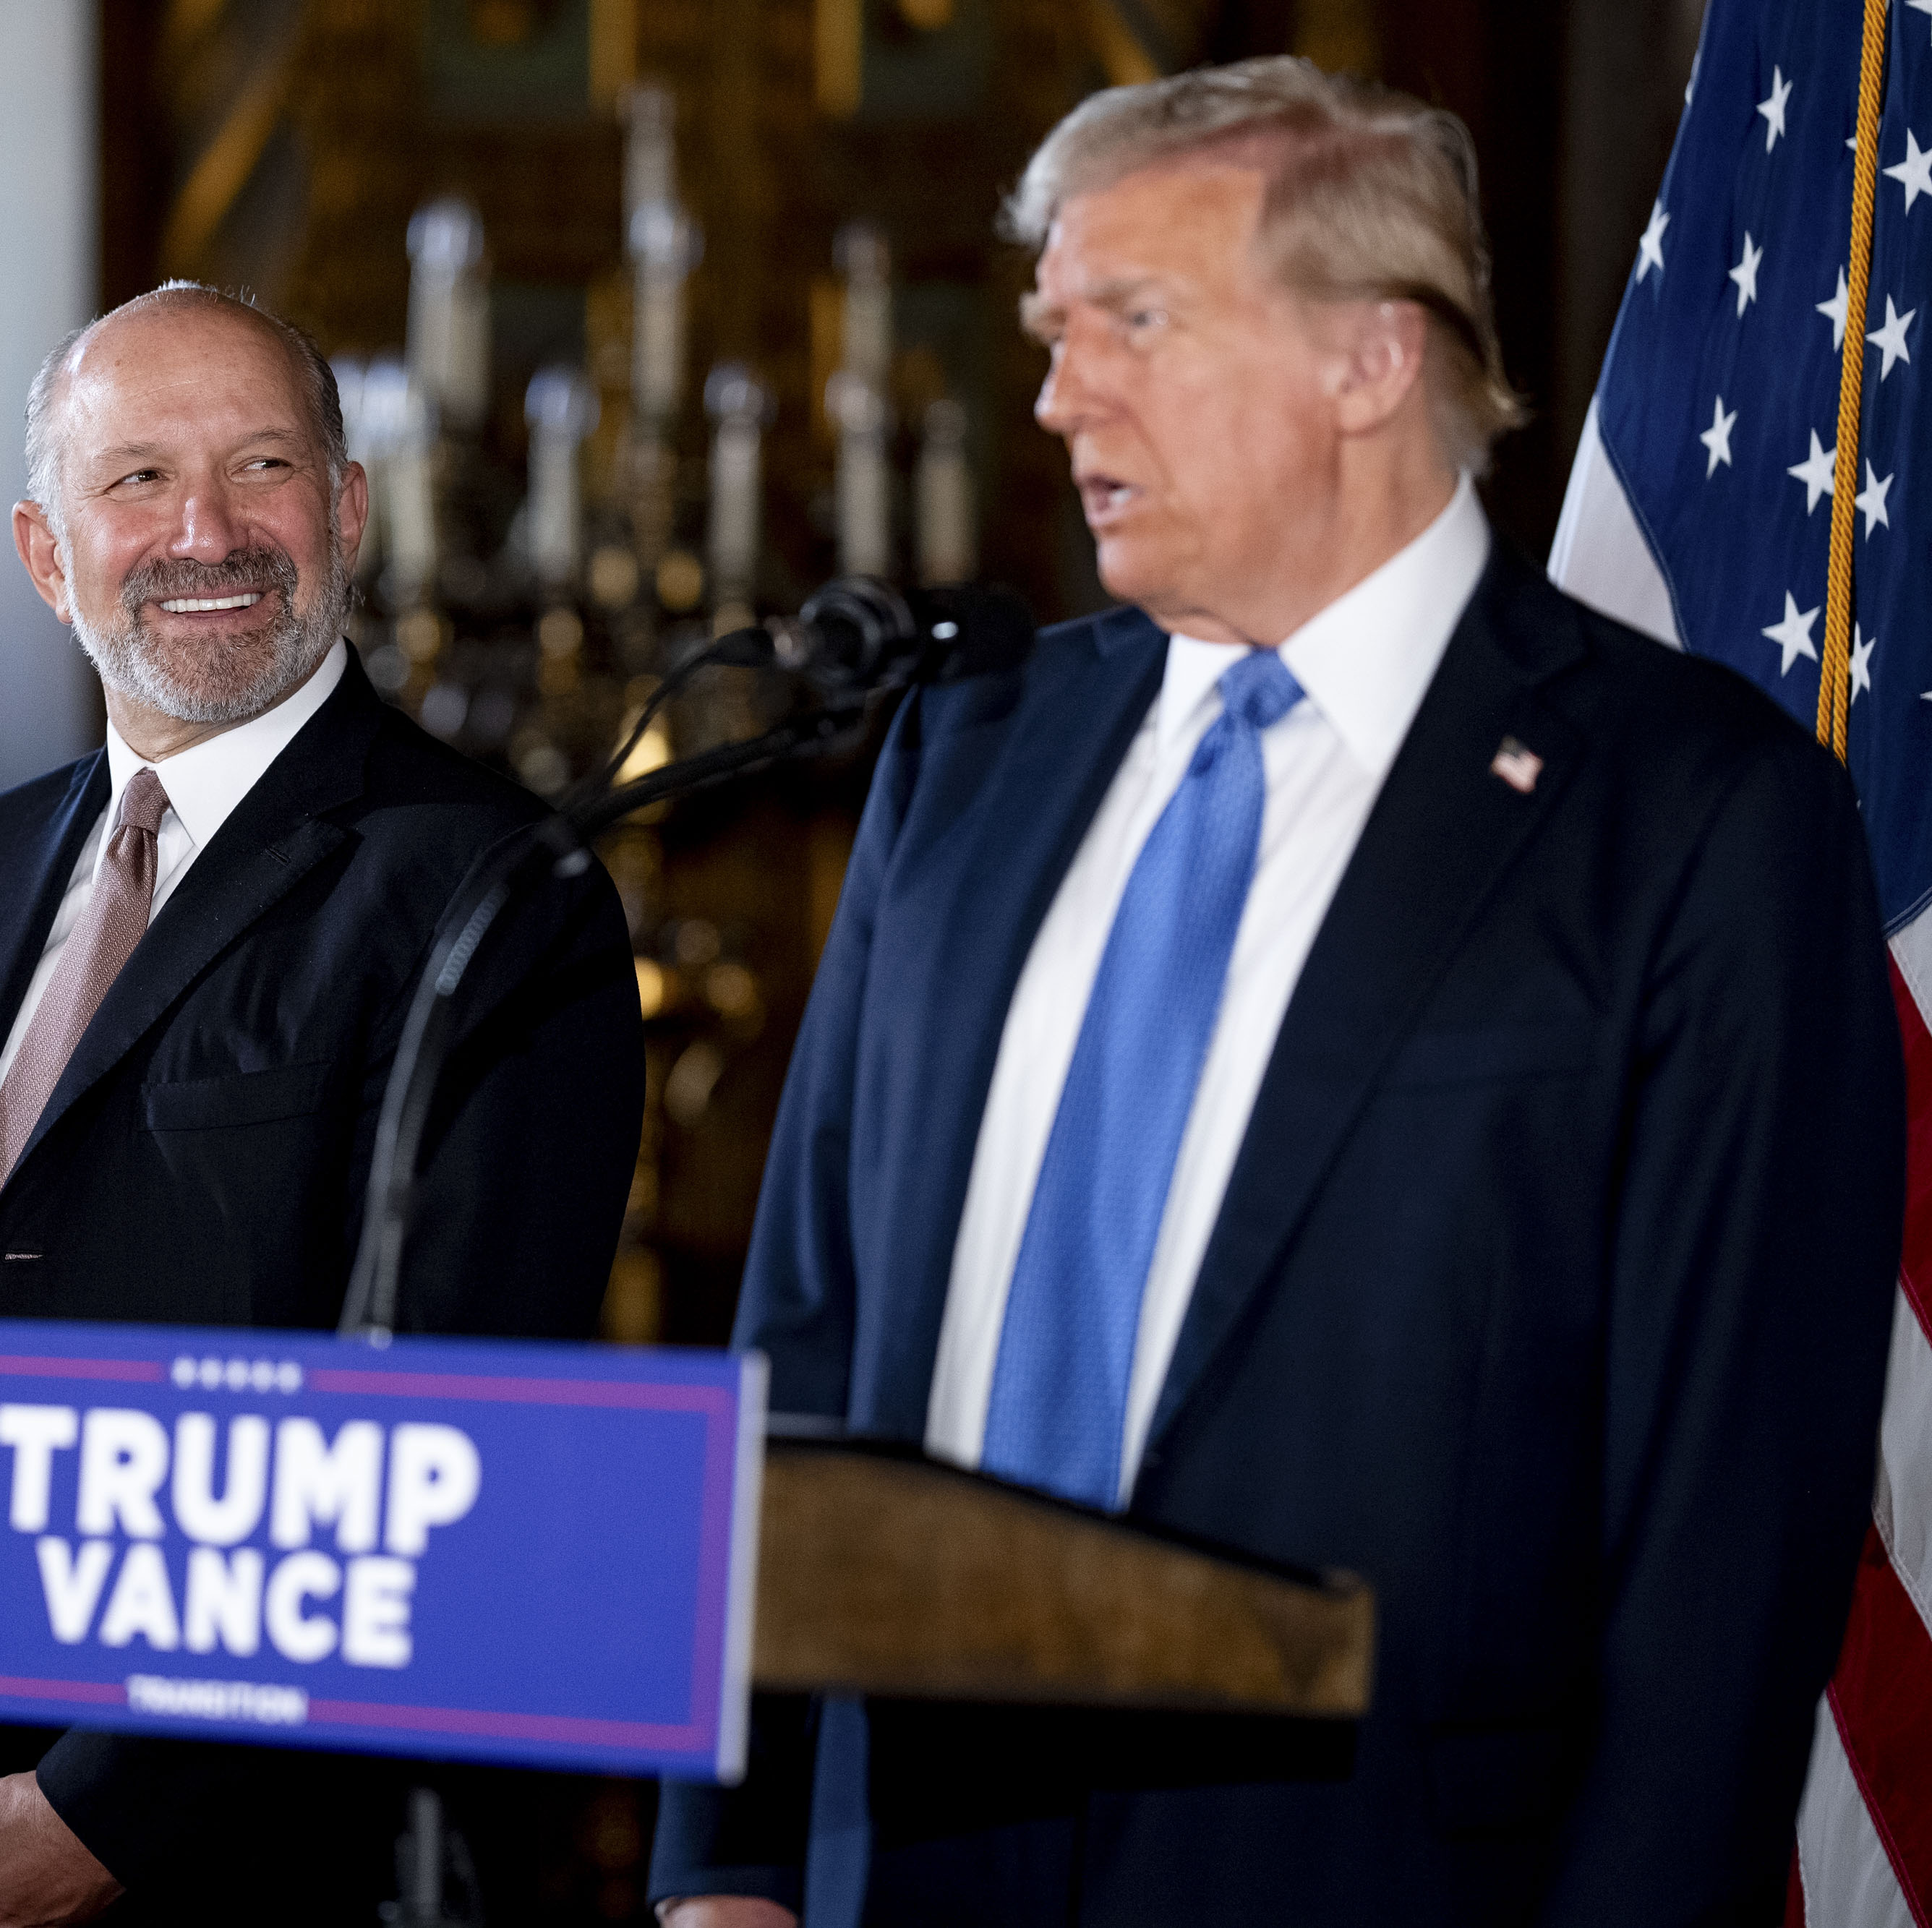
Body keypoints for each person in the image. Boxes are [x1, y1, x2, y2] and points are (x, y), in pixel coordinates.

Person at [654, 56, 1902, 1927]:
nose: (1063, 391)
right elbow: (804, 1327)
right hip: (892, 1865)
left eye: (1134, 323)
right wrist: (726, 1857)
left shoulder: (1700, 822)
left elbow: (1727, 1545)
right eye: (1054, 332)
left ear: (1371, 361)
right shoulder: (965, 757)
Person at [0, 283, 644, 1924]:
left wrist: (103, 1815)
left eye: (261, 466)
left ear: (346, 511)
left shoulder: (494, 888)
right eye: (136, 478)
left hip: (240, 1873)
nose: (205, 530)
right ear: (41, 549)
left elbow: (440, 1436)